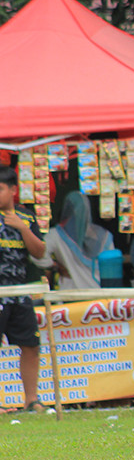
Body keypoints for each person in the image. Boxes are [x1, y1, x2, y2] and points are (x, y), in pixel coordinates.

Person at [0, 166, 47, 412]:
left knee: (31, 344)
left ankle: (31, 399)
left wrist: (22, 228)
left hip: (20, 292)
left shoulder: (26, 217)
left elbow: (40, 252)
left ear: (13, 190)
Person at [45, 191, 114, 289]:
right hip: (96, 291)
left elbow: (38, 256)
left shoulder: (55, 234)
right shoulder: (104, 235)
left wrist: (54, 265)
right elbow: (111, 267)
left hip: (69, 292)